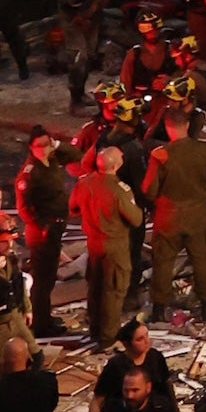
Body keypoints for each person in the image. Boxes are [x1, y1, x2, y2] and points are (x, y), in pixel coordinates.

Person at [144, 97, 206, 316]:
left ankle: (159, 308)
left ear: (168, 128)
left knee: (163, 261)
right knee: (201, 258)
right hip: (196, 214)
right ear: (187, 125)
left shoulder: (160, 155)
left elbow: (148, 190)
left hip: (168, 216)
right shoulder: (203, 150)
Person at [72, 146, 140, 349]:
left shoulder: (84, 183)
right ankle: (108, 337)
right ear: (116, 164)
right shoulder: (119, 189)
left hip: (93, 243)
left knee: (95, 287)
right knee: (113, 290)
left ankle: (95, 329)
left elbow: (72, 207)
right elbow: (135, 218)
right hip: (114, 246)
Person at [15, 140, 68, 343]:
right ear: (31, 147)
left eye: (48, 144)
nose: (45, 148)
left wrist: (57, 144)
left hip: (52, 228)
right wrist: (42, 226)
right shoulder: (29, 173)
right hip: (41, 232)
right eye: (41, 145)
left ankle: (45, 318)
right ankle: (40, 324)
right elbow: (24, 208)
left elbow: (75, 154)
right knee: (42, 281)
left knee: (48, 278)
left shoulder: (50, 162)